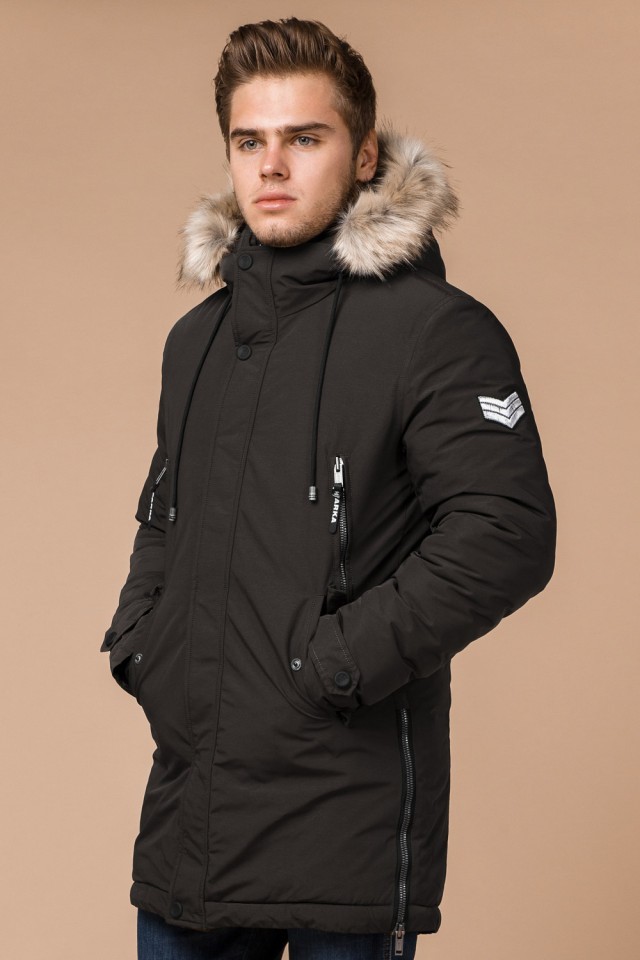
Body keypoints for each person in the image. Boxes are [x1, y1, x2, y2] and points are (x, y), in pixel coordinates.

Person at [100, 17, 556, 960]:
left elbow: (506, 532)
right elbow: (164, 518)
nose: (271, 166)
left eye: (304, 138)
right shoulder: (197, 341)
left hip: (345, 828)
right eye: (249, 141)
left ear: (364, 155)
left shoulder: (435, 330)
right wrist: (144, 646)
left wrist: (330, 666)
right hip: (191, 824)